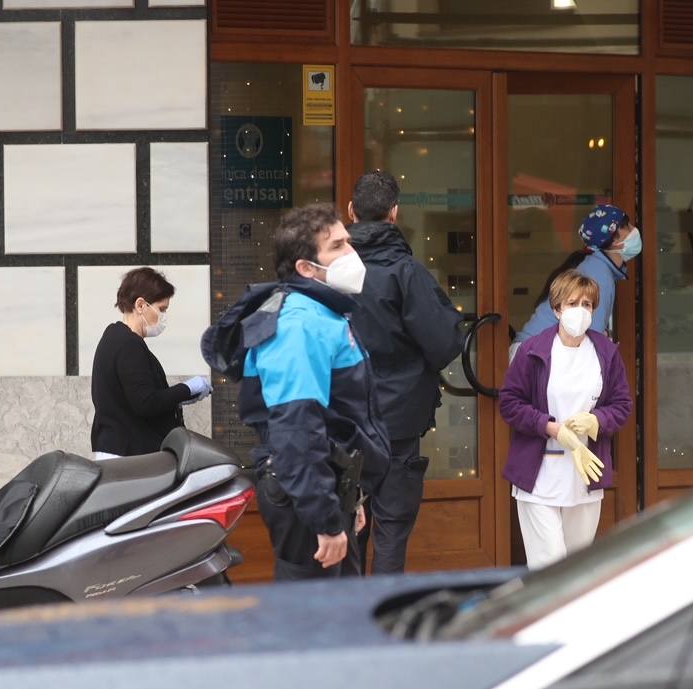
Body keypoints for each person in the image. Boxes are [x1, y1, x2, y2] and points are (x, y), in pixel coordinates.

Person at [203, 203, 390, 581]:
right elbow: (296, 429)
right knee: (313, 623)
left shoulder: (325, 313)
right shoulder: (299, 322)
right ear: (306, 268)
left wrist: (351, 498)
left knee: (337, 623)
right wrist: (324, 519)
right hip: (306, 494)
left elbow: (337, 416)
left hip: (329, 485)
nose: (352, 254)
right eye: (337, 246)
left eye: (349, 243)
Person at [346, 171, 464, 574]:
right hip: (397, 423)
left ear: (351, 211)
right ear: (394, 213)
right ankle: (383, 621)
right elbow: (445, 341)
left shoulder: (327, 273)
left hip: (342, 419)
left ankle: (349, 621)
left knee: (348, 521)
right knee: (392, 528)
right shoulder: (406, 272)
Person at [500, 269, 633, 570]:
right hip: (539, 473)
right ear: (557, 309)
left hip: (584, 473)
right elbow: (510, 403)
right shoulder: (532, 352)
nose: (581, 311)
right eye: (573, 304)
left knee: (576, 568)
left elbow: (622, 405)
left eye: (587, 305)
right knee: (549, 565)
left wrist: (596, 420)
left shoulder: (606, 353)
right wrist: (551, 428)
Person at [90, 267, 211, 458]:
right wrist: (187, 388)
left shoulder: (115, 337)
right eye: (161, 309)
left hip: (121, 450)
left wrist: (179, 397)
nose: (163, 317)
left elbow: (135, 396)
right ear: (140, 305)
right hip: (129, 455)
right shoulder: (128, 344)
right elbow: (146, 403)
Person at [511, 203, 641, 353]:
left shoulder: (597, 267)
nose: (633, 229)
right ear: (613, 241)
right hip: (535, 358)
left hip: (535, 353)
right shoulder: (598, 274)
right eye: (626, 226)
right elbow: (592, 339)